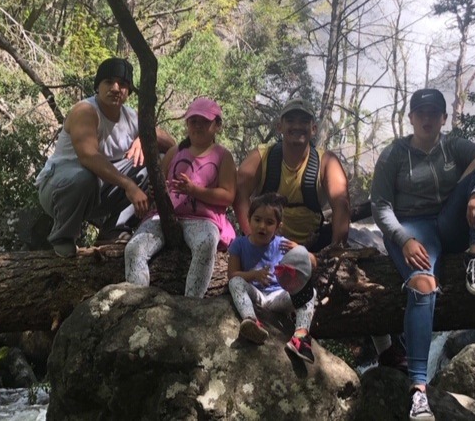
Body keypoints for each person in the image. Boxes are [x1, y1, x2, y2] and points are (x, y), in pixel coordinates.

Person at [370, 88, 475, 420]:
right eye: (421, 112)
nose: (427, 118)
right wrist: (403, 239)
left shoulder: (452, 146)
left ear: (443, 118)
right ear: (411, 118)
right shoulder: (394, 154)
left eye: (434, 112)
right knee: (423, 286)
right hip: (411, 229)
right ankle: (418, 390)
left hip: (448, 224)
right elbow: (380, 206)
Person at [36, 57, 175, 257]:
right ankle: (63, 237)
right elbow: (89, 157)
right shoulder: (85, 111)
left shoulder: (130, 116)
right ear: (98, 86)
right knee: (84, 176)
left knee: (154, 160)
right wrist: (129, 185)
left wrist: (145, 138)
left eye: (123, 84)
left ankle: (114, 230)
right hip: (60, 188)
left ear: (129, 90)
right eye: (109, 82)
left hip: (98, 191)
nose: (116, 88)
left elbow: (173, 145)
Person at [124, 98, 236, 298]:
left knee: (206, 244)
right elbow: (159, 184)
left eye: (204, 121)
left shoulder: (223, 156)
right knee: (134, 248)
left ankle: (190, 303)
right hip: (164, 215)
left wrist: (194, 190)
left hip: (203, 219)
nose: (198, 126)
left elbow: (228, 196)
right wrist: (154, 193)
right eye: (193, 121)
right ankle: (138, 301)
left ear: (217, 125)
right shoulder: (174, 152)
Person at [234, 98, 351, 252]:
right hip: (263, 246)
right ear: (279, 127)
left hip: (311, 249)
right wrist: (252, 239)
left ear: (314, 129)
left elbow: (341, 204)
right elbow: (239, 194)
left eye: (304, 121)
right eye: (290, 121)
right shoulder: (260, 157)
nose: (297, 126)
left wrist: (335, 252)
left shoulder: (327, 162)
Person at [227, 193, 318, 363]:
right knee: (235, 282)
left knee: (309, 292)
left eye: (269, 223)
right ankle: (251, 321)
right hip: (255, 293)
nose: (262, 226)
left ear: (278, 226)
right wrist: (254, 275)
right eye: (257, 220)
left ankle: (300, 337)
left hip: (278, 297)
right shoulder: (239, 244)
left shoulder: (282, 244)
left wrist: (299, 250)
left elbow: (313, 263)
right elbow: (232, 275)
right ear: (249, 219)